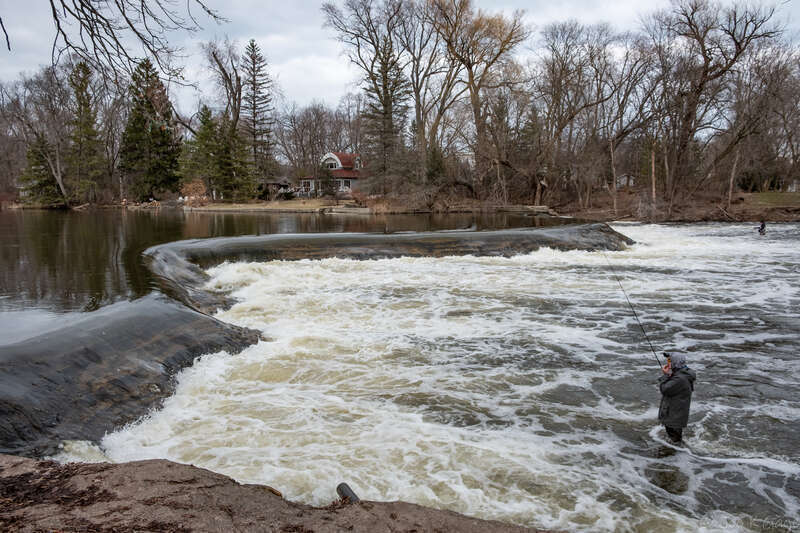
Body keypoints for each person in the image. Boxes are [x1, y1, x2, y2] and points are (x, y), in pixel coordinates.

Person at [658, 352, 696, 443]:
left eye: (670, 361)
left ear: (676, 363)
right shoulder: (682, 374)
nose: (668, 363)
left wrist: (666, 375)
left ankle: (675, 454)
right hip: (676, 413)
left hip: (674, 416)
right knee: (675, 438)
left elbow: (664, 389)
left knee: (675, 440)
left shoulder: (680, 379)